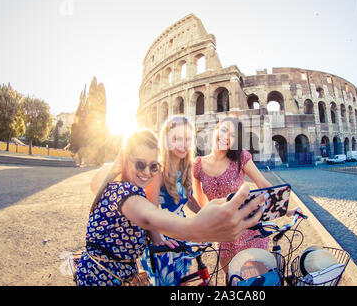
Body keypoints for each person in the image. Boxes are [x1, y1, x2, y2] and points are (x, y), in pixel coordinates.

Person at [77, 129, 267, 286]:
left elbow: (149, 220)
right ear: (124, 160)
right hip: (102, 278)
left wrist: (160, 237)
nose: (146, 173)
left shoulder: (123, 186)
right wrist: (198, 229)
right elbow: (149, 215)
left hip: (121, 273)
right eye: (140, 164)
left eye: (153, 166)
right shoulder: (125, 192)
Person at [193, 116, 299, 274]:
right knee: (232, 278)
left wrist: (286, 209)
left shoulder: (241, 157)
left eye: (233, 135)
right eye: (223, 130)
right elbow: (201, 201)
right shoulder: (198, 165)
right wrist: (203, 225)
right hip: (222, 233)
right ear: (215, 130)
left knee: (258, 278)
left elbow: (263, 185)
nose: (226, 137)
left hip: (249, 229)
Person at [139, 116, 201, 286]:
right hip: (160, 236)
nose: (183, 144)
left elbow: (189, 199)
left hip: (180, 231)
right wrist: (159, 241)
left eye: (188, 138)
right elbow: (148, 214)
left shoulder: (186, 167)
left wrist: (205, 215)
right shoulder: (157, 170)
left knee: (183, 282)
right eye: (177, 138)